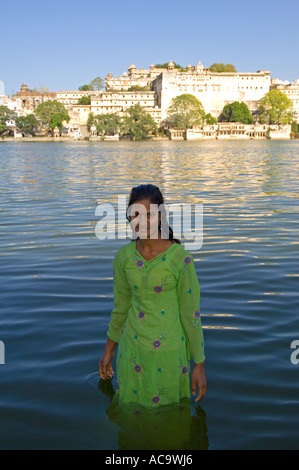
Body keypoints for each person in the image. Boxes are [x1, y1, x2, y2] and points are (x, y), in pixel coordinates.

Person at [98, 184, 206, 408]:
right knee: (130, 419)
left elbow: (191, 314)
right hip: (132, 351)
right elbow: (120, 308)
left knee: (170, 424)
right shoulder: (124, 258)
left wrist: (199, 364)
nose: (143, 222)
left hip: (169, 353)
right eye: (136, 214)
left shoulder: (180, 259)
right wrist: (109, 350)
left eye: (150, 214)